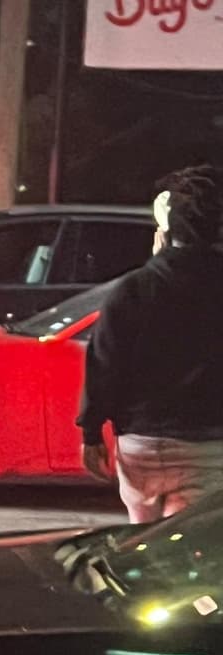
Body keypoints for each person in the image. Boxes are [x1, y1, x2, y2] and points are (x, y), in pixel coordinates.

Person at [78, 165, 223, 522]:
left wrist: (91, 432)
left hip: (140, 445)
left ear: (167, 230)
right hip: (208, 446)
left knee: (142, 538)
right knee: (189, 543)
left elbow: (105, 364)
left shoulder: (135, 289)